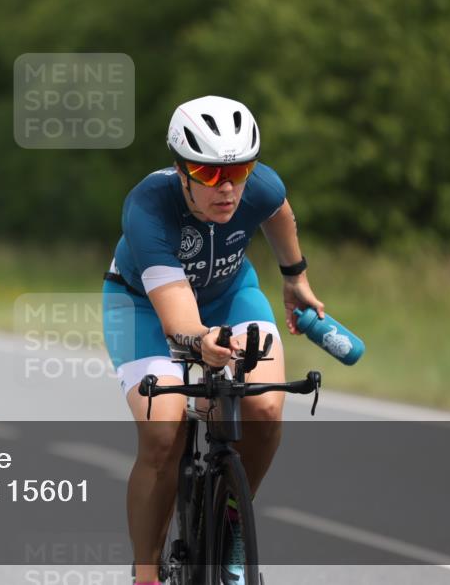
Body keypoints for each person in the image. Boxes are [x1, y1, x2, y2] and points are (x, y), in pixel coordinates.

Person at [102, 95, 325, 585]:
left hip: (231, 295)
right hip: (143, 306)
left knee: (264, 407)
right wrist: (200, 343)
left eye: (240, 170)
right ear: (181, 169)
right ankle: (145, 573)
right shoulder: (148, 206)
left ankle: (233, 529)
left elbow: (279, 212)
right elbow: (178, 316)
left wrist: (294, 276)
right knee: (163, 431)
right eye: (207, 175)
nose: (226, 188)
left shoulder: (258, 187)